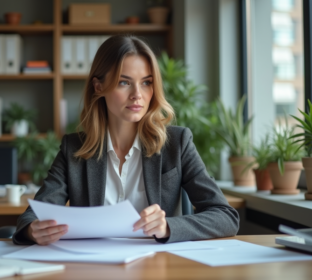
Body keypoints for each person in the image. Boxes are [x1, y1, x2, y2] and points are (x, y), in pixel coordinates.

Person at [13, 35, 239, 245]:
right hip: (92, 267)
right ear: (98, 86)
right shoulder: (74, 148)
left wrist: (168, 226)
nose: (137, 94)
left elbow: (225, 216)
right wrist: (33, 230)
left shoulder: (177, 143)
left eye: (146, 82)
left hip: (158, 268)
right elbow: (34, 215)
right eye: (124, 82)